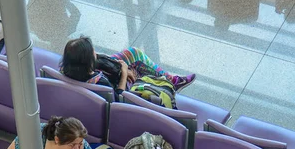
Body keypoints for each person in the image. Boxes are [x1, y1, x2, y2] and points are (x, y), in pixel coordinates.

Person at [60, 36, 196, 99]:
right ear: (88, 61)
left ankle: (171, 80)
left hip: (102, 72)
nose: (95, 53)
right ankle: (171, 82)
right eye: (92, 52)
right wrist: (124, 72)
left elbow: (99, 61)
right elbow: (119, 96)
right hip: (118, 84)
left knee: (133, 53)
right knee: (138, 66)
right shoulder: (100, 83)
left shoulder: (67, 70)